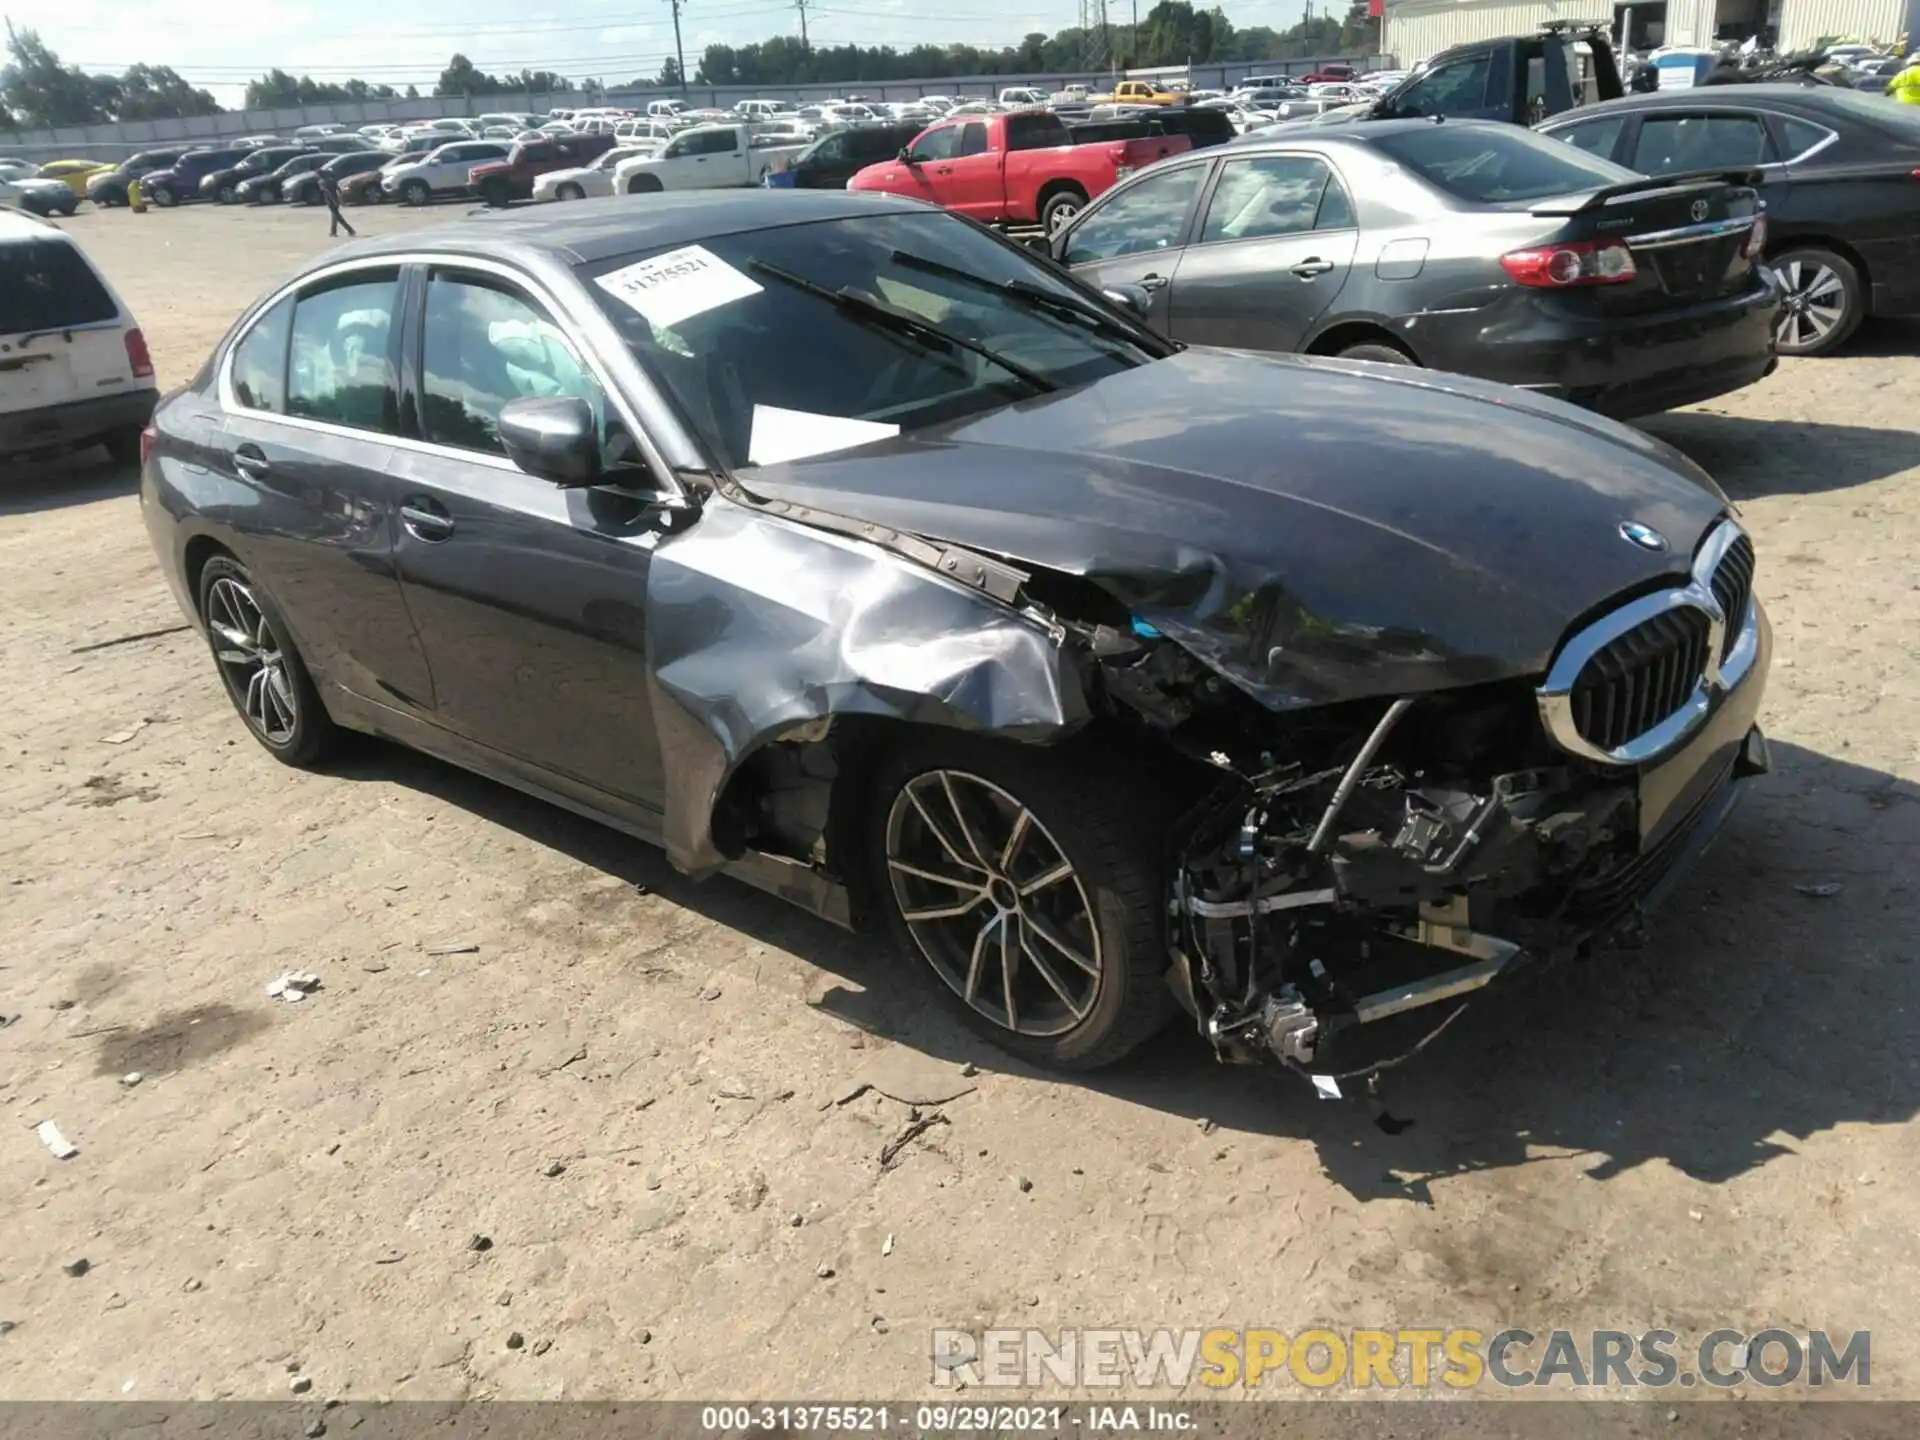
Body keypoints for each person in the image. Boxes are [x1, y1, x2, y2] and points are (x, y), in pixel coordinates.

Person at [319, 167, 356, 237]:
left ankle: (350, 230)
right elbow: (338, 189)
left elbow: (328, 193)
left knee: (338, 217)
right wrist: (340, 199)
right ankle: (333, 231)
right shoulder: (332, 180)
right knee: (334, 216)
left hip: (330, 201)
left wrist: (333, 200)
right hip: (336, 199)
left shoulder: (322, 182)